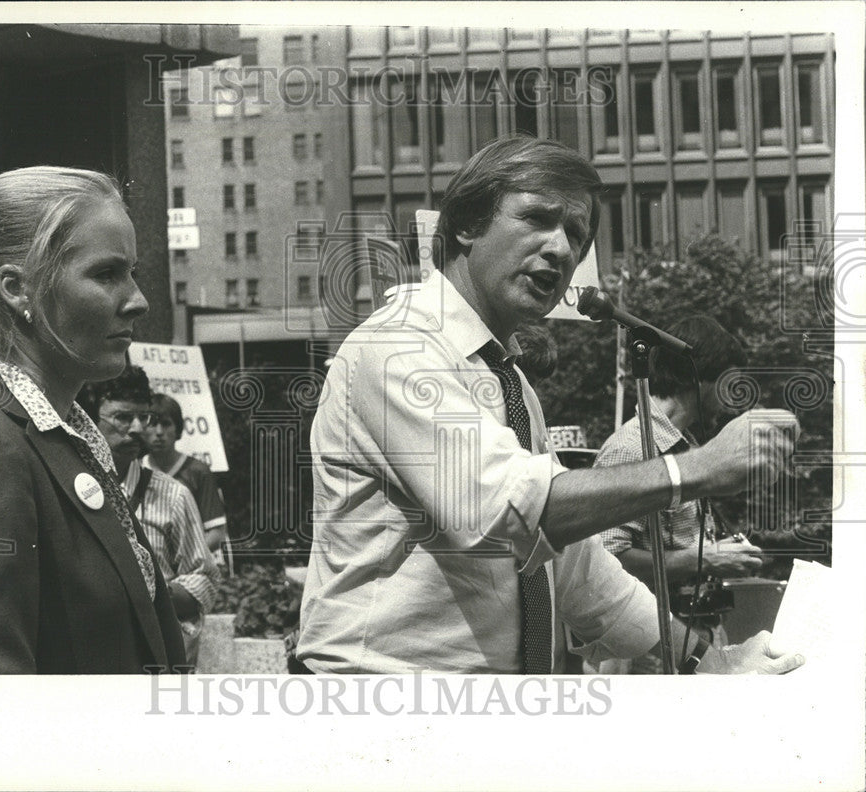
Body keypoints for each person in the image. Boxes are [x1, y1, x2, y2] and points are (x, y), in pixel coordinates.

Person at [296, 136, 804, 675]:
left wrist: (709, 658)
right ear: (467, 224)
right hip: (378, 701)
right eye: (537, 218)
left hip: (474, 707)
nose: (562, 249)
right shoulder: (399, 346)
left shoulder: (509, 382)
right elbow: (501, 508)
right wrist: (698, 468)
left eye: (577, 234)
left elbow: (576, 568)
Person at [0, 166, 186, 674]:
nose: (138, 301)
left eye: (133, 273)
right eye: (106, 274)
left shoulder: (61, 438)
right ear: (17, 289)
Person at [595, 315, 763, 672]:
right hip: (652, 651)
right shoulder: (632, 448)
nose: (733, 396)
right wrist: (707, 560)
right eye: (729, 381)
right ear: (698, 378)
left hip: (696, 634)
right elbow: (606, 561)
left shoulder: (683, 445)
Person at [78, 368, 221, 670]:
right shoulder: (72, 488)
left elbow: (204, 578)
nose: (135, 429)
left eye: (143, 417)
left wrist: (154, 594)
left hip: (154, 658)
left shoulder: (173, 494)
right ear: (90, 420)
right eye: (122, 417)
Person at [145, 393, 229, 561]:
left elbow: (217, 532)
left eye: (166, 424)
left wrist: (183, 560)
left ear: (178, 429)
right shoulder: (135, 469)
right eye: (152, 424)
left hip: (187, 566)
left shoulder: (197, 471)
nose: (159, 432)